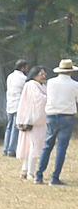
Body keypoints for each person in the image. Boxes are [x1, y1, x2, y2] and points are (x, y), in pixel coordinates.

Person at [33, 58, 78, 186]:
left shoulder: (51, 82)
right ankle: (55, 177)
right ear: (71, 72)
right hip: (67, 117)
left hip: (52, 116)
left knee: (47, 146)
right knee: (61, 148)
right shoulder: (75, 85)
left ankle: (39, 175)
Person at [16, 66, 48, 180]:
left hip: (37, 120)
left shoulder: (41, 86)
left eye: (44, 74)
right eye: (41, 74)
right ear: (34, 75)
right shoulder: (31, 85)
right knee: (32, 146)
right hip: (32, 121)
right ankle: (30, 172)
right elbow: (37, 99)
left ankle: (25, 170)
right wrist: (49, 98)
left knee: (31, 146)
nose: (43, 76)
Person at [3, 59, 29, 157]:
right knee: (15, 127)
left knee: (8, 127)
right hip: (19, 104)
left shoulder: (10, 76)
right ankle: (11, 149)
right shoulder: (23, 78)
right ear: (23, 68)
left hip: (10, 104)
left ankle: (5, 148)